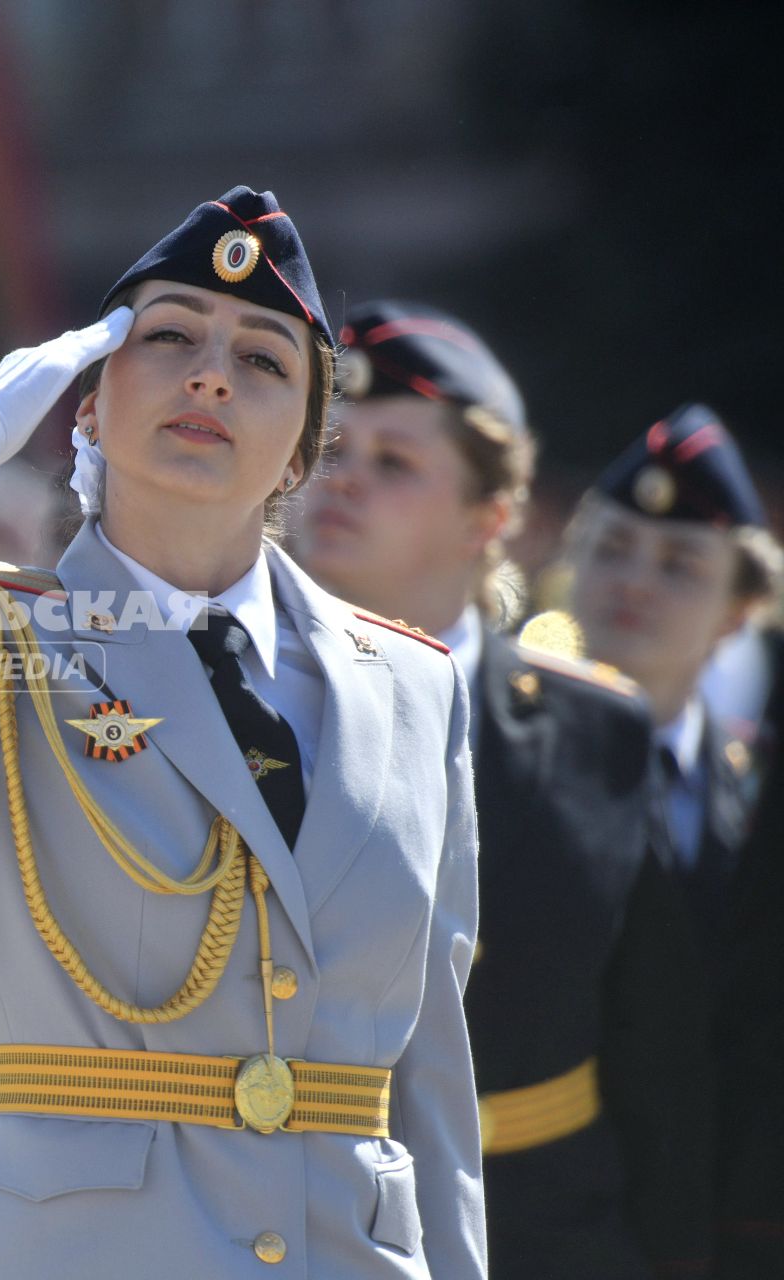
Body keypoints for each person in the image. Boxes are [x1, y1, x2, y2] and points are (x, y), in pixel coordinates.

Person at [0, 188, 485, 1277]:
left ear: (303, 454)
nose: (212, 373)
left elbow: (432, 1084)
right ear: (82, 405)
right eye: (167, 338)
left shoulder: (412, 683)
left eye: (265, 361)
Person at [290, 301, 712, 1277]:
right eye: (330, 447)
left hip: (545, 1232)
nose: (341, 478)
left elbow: (662, 1059)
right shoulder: (218, 703)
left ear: (491, 515)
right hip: (294, 1228)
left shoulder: (598, 729)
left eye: (394, 462)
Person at [555, 405, 784, 1275]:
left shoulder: (749, 793)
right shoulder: (484, 761)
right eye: (611, 548)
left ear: (741, 611)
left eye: (681, 564)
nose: (634, 583)